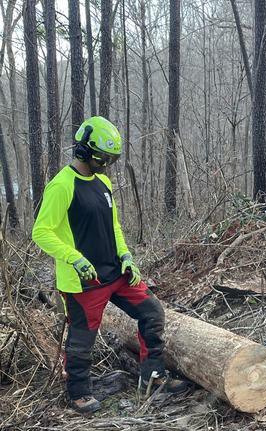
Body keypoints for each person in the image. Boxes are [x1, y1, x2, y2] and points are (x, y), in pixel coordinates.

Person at [32, 116, 190, 414]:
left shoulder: (102, 182)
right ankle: (78, 392)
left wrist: (126, 255)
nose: (106, 165)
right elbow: (41, 231)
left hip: (115, 271)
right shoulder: (62, 186)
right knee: (83, 336)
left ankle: (152, 375)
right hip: (83, 280)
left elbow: (113, 225)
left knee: (152, 312)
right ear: (85, 151)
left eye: (111, 160)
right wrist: (74, 257)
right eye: (102, 159)